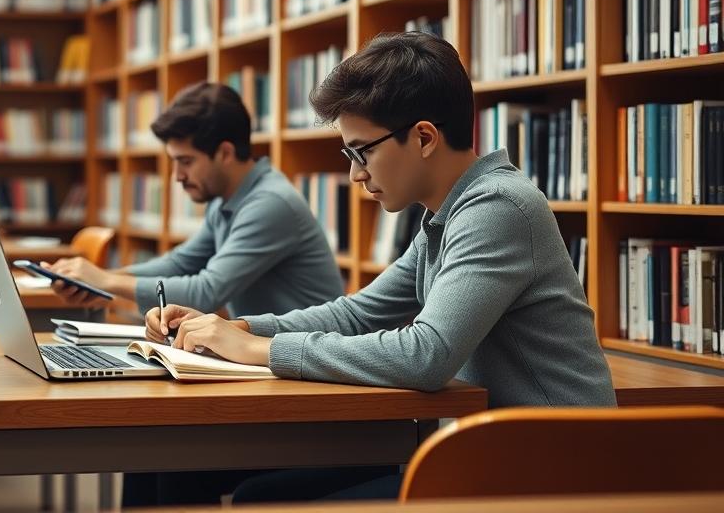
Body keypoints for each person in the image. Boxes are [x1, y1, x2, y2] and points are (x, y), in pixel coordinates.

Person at [141, 33, 615, 504]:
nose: (355, 175)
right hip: (494, 453)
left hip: (554, 470)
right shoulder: (445, 214)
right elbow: (359, 314)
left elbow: (426, 355)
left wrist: (259, 348)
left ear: (424, 137)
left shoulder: (498, 208)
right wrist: (236, 327)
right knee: (258, 494)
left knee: (266, 500)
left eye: (362, 151)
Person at [45, 82, 343, 320]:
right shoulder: (226, 198)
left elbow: (206, 292)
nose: (176, 176)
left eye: (185, 161)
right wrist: (98, 280)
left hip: (303, 365)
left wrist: (108, 282)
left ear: (225, 153)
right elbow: (181, 263)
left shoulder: (271, 203)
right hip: (266, 354)